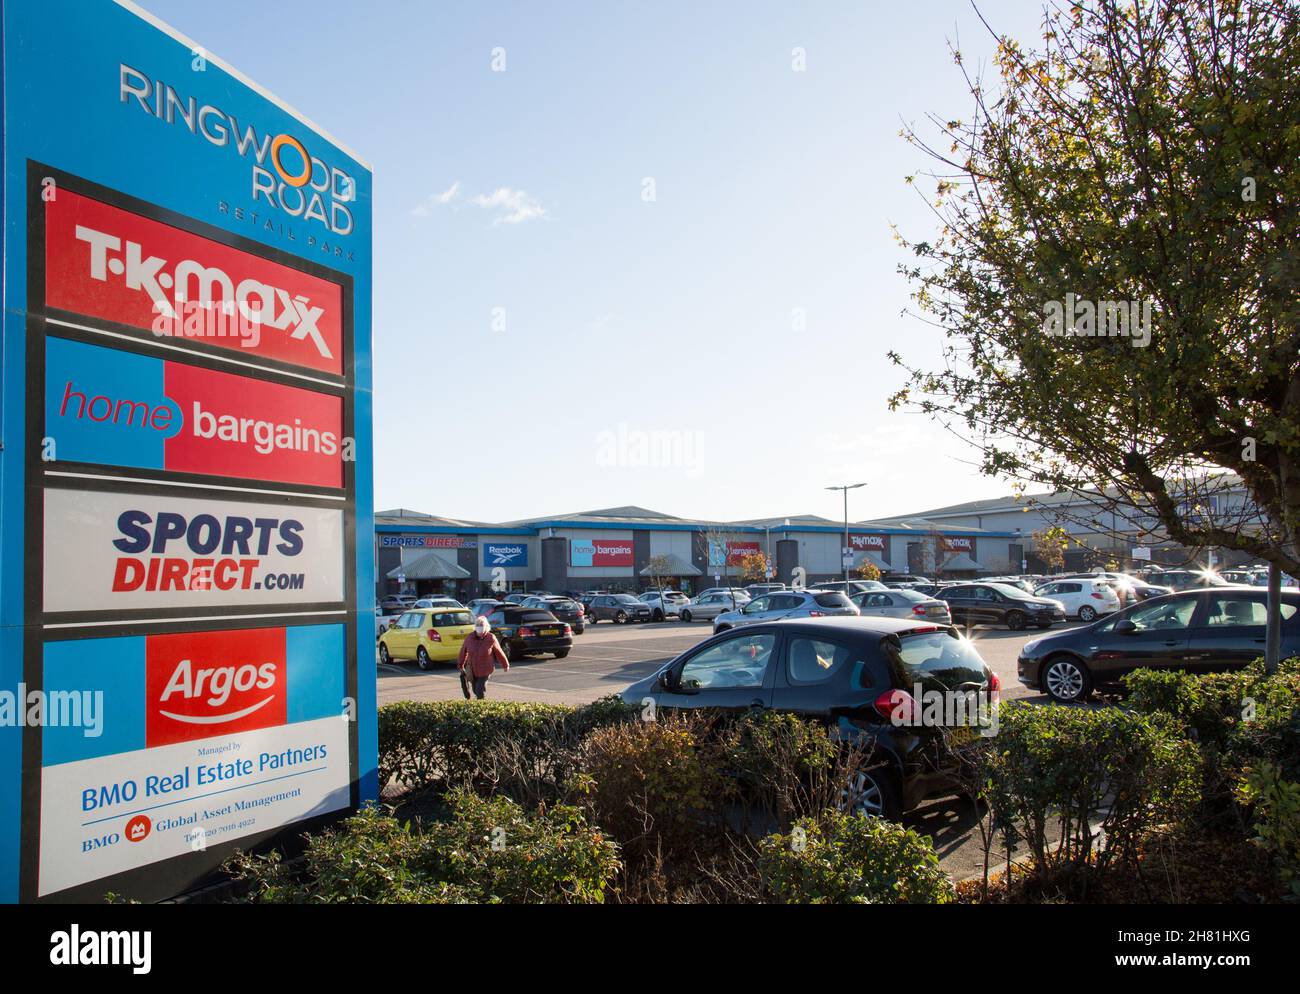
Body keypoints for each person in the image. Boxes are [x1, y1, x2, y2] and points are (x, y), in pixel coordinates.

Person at [458, 615, 510, 699]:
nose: (479, 627)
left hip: (485, 669)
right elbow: (463, 651)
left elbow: (498, 652)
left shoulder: (490, 638)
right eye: (477, 625)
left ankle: (482, 707)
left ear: (486, 626)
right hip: (472, 669)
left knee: (479, 690)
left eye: (481, 625)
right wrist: (460, 664)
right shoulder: (469, 637)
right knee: (475, 690)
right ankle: (480, 704)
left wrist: (505, 665)